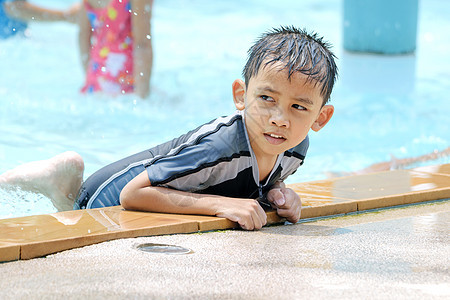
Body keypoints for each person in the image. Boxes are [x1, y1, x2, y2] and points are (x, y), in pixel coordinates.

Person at [0, 26, 337, 230]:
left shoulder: (294, 145)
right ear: (240, 95)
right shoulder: (220, 146)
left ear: (320, 118)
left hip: (136, 189)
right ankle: (68, 189)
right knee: (74, 214)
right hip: (109, 198)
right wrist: (222, 205)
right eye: (266, 98)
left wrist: (279, 193)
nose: (280, 118)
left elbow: (259, 177)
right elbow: (133, 194)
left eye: (298, 107)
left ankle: (66, 183)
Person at [3, 0, 153, 98]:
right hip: (125, 80)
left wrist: (89, 76)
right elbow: (142, 45)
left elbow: (83, 37)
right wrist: (143, 95)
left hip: (94, 80)